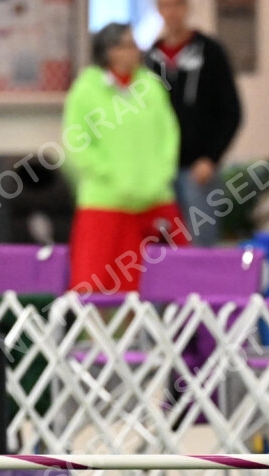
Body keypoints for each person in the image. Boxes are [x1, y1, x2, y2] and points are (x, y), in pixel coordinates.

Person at [64, 23, 187, 294]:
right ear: (109, 51)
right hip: (106, 201)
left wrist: (159, 176)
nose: (134, 51)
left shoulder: (151, 86)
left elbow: (169, 134)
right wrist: (112, 175)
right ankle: (96, 337)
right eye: (126, 45)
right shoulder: (86, 89)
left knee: (172, 279)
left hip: (154, 198)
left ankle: (157, 336)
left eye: (135, 45)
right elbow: (77, 142)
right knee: (96, 282)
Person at [145, 0, 242, 246]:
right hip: (161, 173)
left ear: (187, 8)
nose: (172, 13)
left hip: (198, 171)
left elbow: (232, 112)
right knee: (162, 244)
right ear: (158, 10)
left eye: (177, 5)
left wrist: (211, 157)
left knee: (200, 244)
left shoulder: (210, 52)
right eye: (165, 6)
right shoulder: (150, 59)